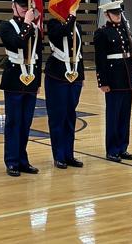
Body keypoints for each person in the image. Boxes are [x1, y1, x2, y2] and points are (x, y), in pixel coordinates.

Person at [0, 0, 42, 177]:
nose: (26, 9)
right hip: (14, 79)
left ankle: (23, 160)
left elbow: (38, 56)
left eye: (27, 6)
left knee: (26, 123)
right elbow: (16, 43)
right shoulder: (5, 26)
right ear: (13, 6)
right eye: (22, 6)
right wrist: (27, 24)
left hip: (31, 79)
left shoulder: (35, 28)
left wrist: (38, 81)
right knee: (13, 122)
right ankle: (11, 161)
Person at [93, 0, 132, 163]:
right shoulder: (102, 33)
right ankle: (112, 150)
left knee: (124, 116)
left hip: (127, 77)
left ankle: (122, 147)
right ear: (107, 15)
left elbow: (127, 53)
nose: (118, 16)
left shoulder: (124, 30)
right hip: (113, 79)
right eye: (115, 14)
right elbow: (100, 60)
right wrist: (103, 82)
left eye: (119, 13)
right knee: (113, 116)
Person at [45, 11, 84, 169]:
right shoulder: (53, 24)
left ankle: (69, 154)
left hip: (74, 77)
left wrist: (81, 76)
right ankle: (59, 155)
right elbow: (61, 33)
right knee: (58, 117)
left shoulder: (77, 26)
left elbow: (78, 51)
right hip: (57, 76)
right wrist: (71, 17)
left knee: (70, 117)